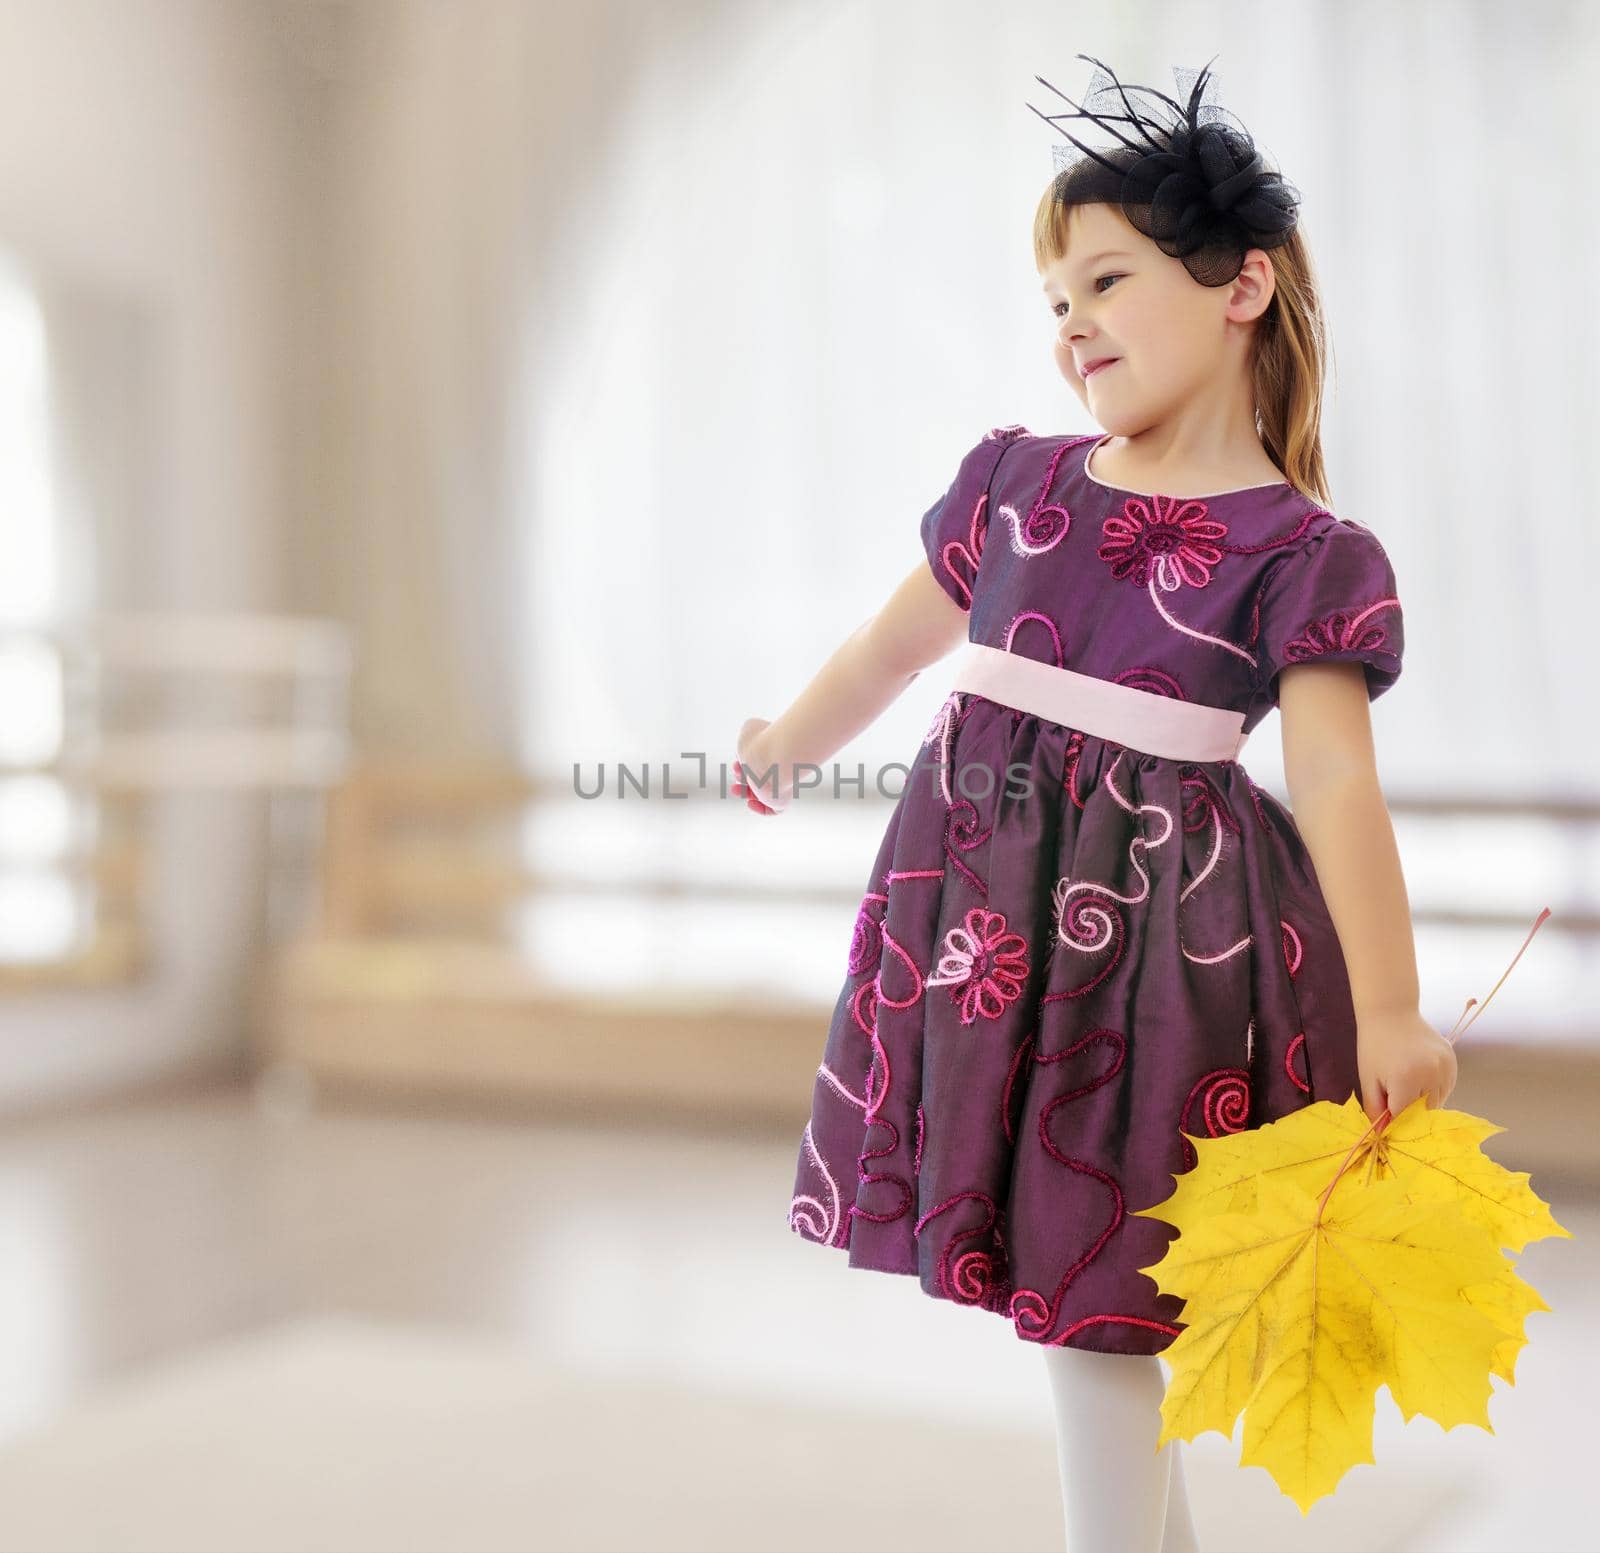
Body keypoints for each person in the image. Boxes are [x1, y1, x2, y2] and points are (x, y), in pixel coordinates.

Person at [736, 54, 1457, 1552]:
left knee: (1104, 1289)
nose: (1070, 324)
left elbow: (1333, 779)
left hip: (1159, 958)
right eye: (1054, 298)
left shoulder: (1304, 552)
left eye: (1106, 281)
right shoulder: (1017, 483)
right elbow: (892, 645)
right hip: (983, 930)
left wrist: (1390, 1009)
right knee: (1086, 1303)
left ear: (1241, 286)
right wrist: (784, 749)